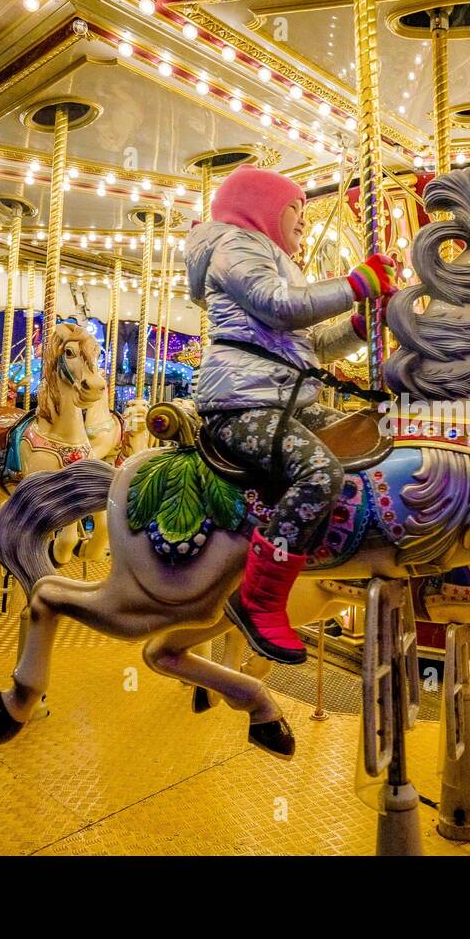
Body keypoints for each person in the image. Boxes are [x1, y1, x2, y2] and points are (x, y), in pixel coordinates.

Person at [186, 164, 397, 665]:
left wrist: (356, 325)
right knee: (318, 471)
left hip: (290, 403)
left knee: (382, 434)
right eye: (295, 209)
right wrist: (354, 284)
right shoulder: (235, 245)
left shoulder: (279, 259)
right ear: (260, 205)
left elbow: (310, 345)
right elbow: (278, 305)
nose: (302, 221)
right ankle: (259, 598)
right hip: (242, 403)